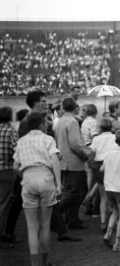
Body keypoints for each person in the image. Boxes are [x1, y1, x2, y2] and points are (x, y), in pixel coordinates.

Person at [13, 112, 62, 266]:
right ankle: (45, 261)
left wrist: (25, 176)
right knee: (45, 225)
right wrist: (58, 183)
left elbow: (15, 166)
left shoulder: (22, 141)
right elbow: (55, 159)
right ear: (41, 124)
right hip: (46, 178)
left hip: (28, 179)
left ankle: (35, 264)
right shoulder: (48, 139)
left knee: (32, 227)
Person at [54, 97, 92, 230]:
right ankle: (56, 213)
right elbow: (75, 144)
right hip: (73, 161)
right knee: (75, 191)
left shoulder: (60, 121)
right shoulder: (72, 121)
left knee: (77, 190)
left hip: (63, 160)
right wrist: (86, 154)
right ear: (75, 107)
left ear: (63, 107)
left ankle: (72, 219)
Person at [89, 118, 116, 233]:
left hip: (99, 165)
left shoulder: (96, 139)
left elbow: (91, 151)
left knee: (103, 196)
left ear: (100, 127)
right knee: (114, 196)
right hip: (112, 165)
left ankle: (103, 222)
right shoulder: (115, 137)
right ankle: (112, 222)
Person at [0, 106, 18, 249]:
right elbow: (17, 151)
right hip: (6, 170)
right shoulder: (10, 131)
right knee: (4, 205)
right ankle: (2, 233)